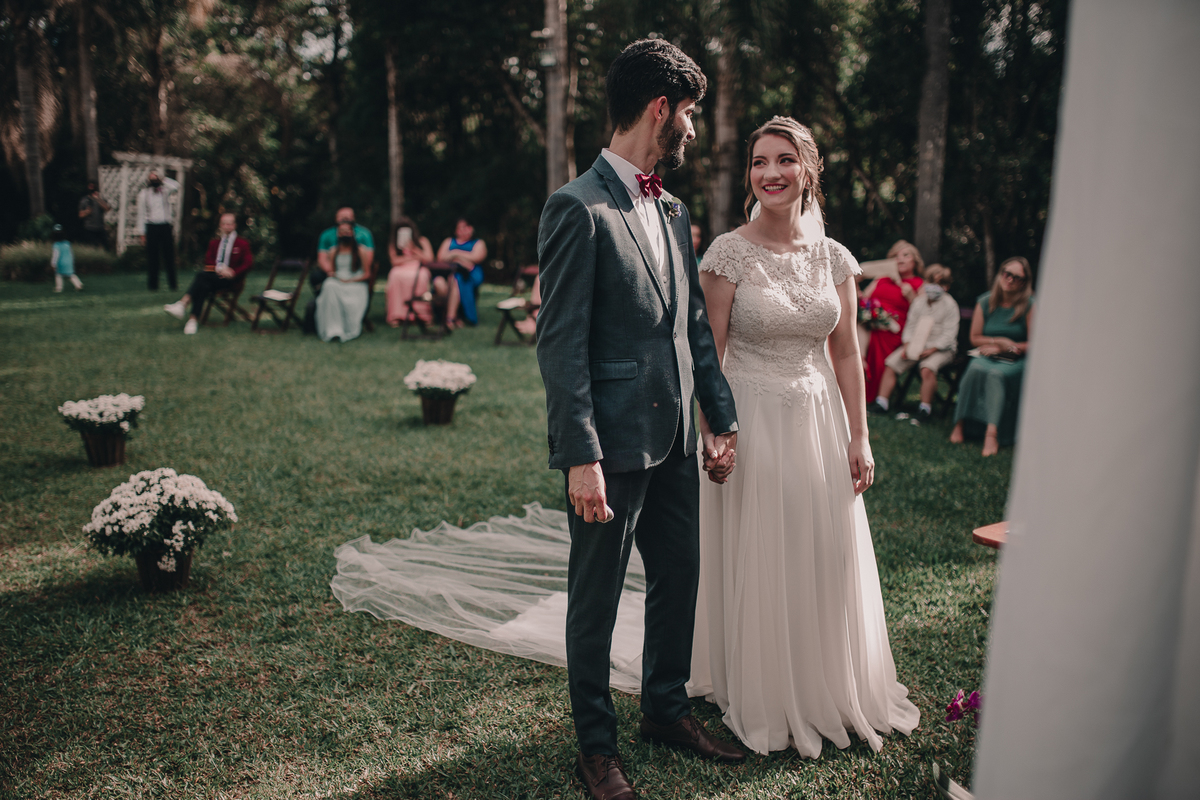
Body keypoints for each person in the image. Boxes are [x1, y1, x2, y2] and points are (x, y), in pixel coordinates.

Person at [536, 38, 743, 800]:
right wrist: (580, 457)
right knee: (593, 600)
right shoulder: (575, 208)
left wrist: (719, 419)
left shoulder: (672, 206)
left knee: (679, 578)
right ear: (661, 109)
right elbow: (559, 346)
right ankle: (596, 747)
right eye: (689, 114)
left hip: (678, 442)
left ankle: (666, 709)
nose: (692, 128)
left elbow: (690, 327)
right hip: (611, 448)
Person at [691, 116, 919, 757]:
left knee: (820, 545)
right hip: (751, 417)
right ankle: (761, 685)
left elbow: (846, 353)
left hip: (819, 420)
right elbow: (710, 351)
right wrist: (716, 432)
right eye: (760, 162)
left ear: (807, 170)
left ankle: (824, 678)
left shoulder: (835, 258)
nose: (771, 173)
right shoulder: (727, 254)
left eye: (784, 160)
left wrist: (860, 435)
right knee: (763, 545)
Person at [949, 256, 1034, 456]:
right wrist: (997, 343)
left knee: (996, 375)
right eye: (1007, 274)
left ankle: (991, 433)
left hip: (1016, 360)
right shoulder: (985, 301)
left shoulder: (1029, 304)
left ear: (1024, 282)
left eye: (1017, 277)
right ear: (1000, 274)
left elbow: (1034, 342)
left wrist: (1007, 348)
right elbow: (975, 337)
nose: (1010, 279)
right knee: (974, 368)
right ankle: (960, 424)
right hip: (987, 354)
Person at [870, 264, 960, 421]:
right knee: (891, 363)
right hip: (916, 345)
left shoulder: (950, 305)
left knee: (927, 367)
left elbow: (949, 335)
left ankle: (925, 408)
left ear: (946, 287)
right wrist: (907, 344)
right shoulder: (919, 302)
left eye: (938, 284)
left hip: (942, 349)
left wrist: (932, 350)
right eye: (930, 282)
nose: (932, 287)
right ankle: (881, 402)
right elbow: (910, 326)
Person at [163, 213, 254, 335]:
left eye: (230, 223)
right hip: (213, 277)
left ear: (234, 225)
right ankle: (192, 321)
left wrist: (232, 272)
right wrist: (220, 269)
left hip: (231, 280)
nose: (227, 226)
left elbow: (248, 263)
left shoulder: (242, 243)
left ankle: (183, 304)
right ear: (220, 225)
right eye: (224, 223)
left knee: (201, 276)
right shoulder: (214, 243)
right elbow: (209, 261)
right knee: (203, 284)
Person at [859, 239, 924, 402]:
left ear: (915, 261)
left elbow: (923, 315)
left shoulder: (919, 284)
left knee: (877, 339)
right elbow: (864, 299)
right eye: (895, 256)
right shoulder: (881, 279)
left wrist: (912, 298)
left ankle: (871, 396)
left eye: (905, 255)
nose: (899, 259)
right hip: (870, 324)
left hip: (896, 330)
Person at [316, 221, 372, 342]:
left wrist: (349, 280)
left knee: (332, 286)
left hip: (356, 284)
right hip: (338, 281)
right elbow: (331, 272)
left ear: (352, 233)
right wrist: (336, 277)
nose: (344, 234)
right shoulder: (333, 251)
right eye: (341, 232)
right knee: (329, 285)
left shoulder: (361, 251)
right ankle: (333, 330)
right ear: (338, 234)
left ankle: (347, 329)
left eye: (347, 231)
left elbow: (367, 274)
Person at [384, 217, 445, 328]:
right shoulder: (394, 244)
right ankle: (397, 315)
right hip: (401, 269)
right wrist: (411, 258)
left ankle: (422, 315)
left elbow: (429, 258)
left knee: (421, 277)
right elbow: (394, 261)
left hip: (419, 268)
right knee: (394, 275)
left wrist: (413, 249)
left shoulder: (422, 241)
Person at [136, 170, 181, 291]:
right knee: (152, 258)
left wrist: (163, 179)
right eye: (152, 179)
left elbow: (176, 186)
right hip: (151, 227)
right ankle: (153, 286)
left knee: (169, 256)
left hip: (165, 226)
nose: (154, 181)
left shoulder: (165, 191)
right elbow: (140, 215)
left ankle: (173, 284)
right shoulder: (143, 194)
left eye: (156, 179)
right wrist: (142, 233)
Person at [437, 218, 487, 327]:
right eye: (461, 228)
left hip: (471, 275)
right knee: (442, 281)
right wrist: (462, 259)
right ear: (455, 231)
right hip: (449, 273)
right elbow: (440, 258)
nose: (465, 230)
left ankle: (451, 318)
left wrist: (454, 254)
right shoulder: (448, 241)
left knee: (456, 278)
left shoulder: (478, 243)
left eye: (468, 227)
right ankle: (455, 317)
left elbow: (476, 257)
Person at [77, 181, 110, 249]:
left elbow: (107, 208)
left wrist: (98, 199)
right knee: (93, 246)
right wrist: (87, 212)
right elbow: (80, 215)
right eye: (90, 187)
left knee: (106, 246)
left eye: (93, 187)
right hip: (89, 228)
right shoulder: (85, 200)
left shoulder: (100, 198)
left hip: (100, 227)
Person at [50, 224, 83, 292]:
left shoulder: (56, 245)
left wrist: (53, 263)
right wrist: (72, 260)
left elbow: (56, 255)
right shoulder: (67, 243)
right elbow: (71, 253)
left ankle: (59, 288)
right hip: (69, 261)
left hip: (61, 262)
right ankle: (78, 284)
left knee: (58, 275)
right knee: (71, 274)